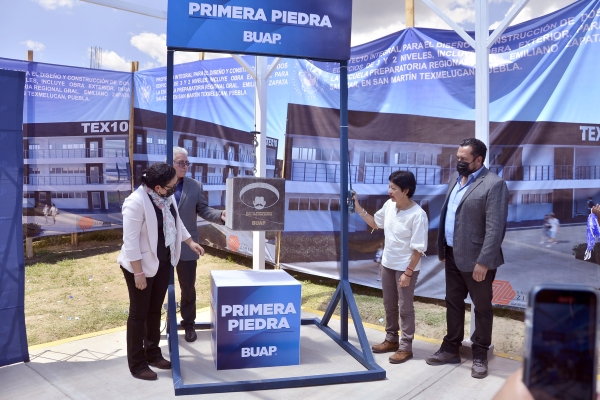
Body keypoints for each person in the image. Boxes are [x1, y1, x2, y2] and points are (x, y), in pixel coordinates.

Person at [427, 138, 509, 379]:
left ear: (479, 160)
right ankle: (450, 347)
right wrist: (444, 248)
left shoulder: (494, 185)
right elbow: (449, 215)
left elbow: (496, 228)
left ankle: (480, 354)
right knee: (452, 302)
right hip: (452, 255)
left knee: (481, 308)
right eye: (458, 158)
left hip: (478, 261)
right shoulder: (455, 179)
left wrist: (484, 262)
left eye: (464, 159)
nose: (459, 163)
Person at [117, 162, 205, 381]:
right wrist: (138, 274)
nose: (175, 188)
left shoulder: (166, 198)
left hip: (163, 262)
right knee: (139, 314)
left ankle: (153, 354)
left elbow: (177, 222)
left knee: (155, 310)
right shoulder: (135, 203)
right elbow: (130, 242)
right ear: (157, 187)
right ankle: (137, 365)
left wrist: (190, 242)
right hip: (140, 266)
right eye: (172, 185)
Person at [353, 170, 428, 364]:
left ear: (406, 190)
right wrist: (357, 207)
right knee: (389, 305)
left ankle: (406, 347)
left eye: (393, 188)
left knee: (405, 307)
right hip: (387, 264)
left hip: (406, 268)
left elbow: (418, 249)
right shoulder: (389, 205)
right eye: (389, 187)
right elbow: (375, 223)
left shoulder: (418, 215)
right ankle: (391, 339)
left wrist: (408, 273)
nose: (389, 191)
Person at [171, 147, 226, 342]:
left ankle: (189, 324)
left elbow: (202, 209)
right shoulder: (157, 185)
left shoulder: (194, 185)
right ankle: (160, 325)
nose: (185, 166)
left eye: (186, 163)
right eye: (180, 162)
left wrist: (220, 215)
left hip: (188, 245)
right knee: (160, 288)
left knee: (188, 288)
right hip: (162, 246)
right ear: (170, 163)